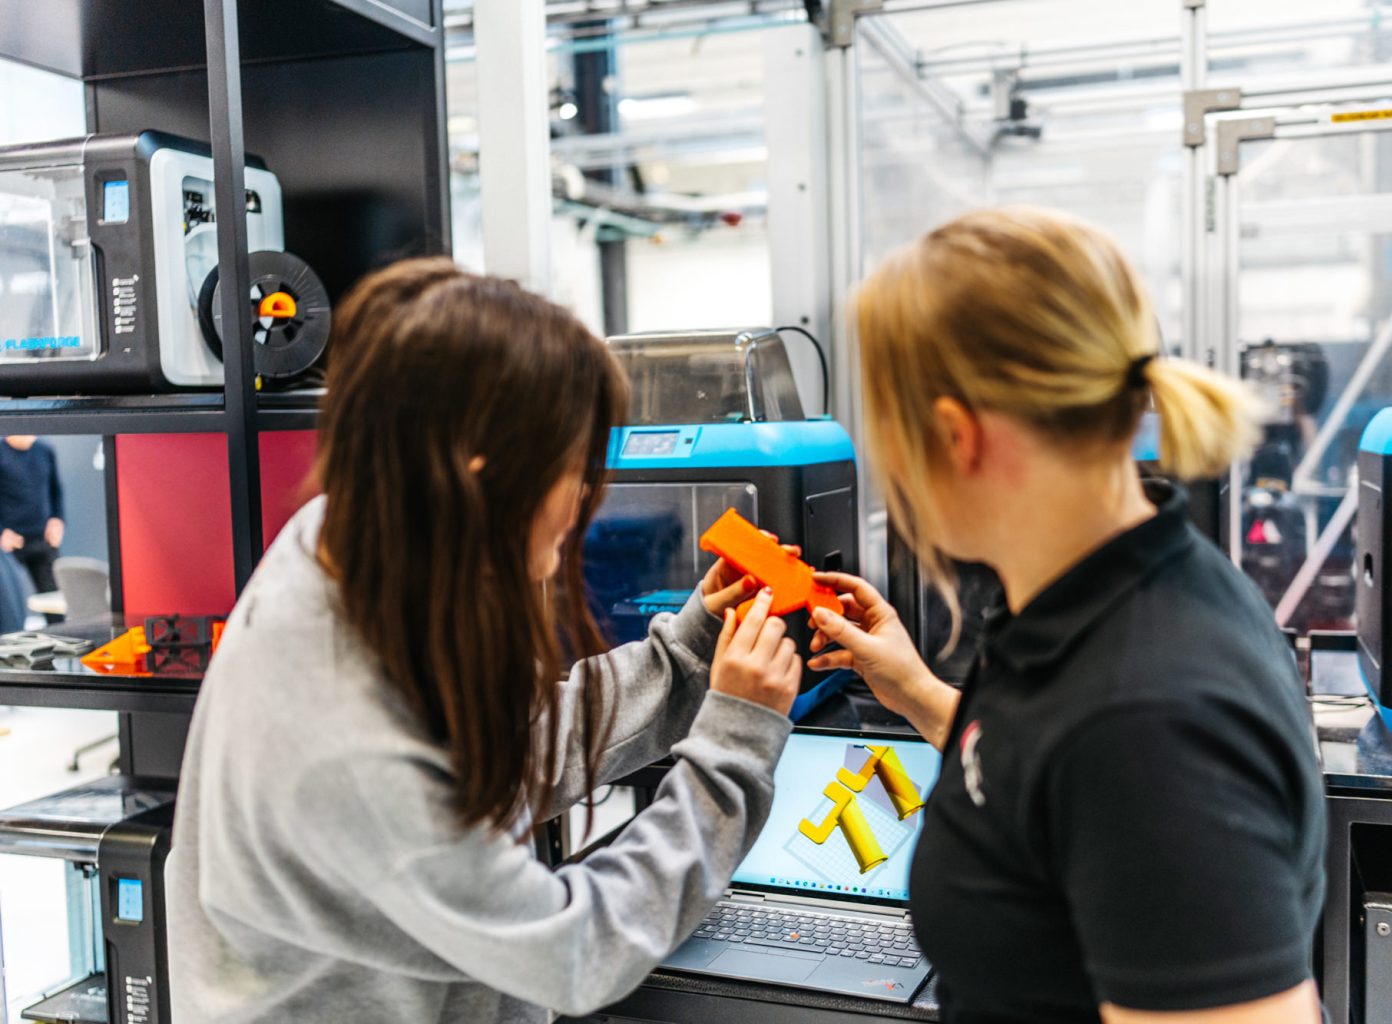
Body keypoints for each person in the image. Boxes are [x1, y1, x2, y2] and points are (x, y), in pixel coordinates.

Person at [166, 258, 804, 1023]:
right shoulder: (348, 736)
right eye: (572, 466)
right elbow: (577, 950)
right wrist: (735, 744)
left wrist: (691, 654)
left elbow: (497, 752)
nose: (582, 498)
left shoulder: (347, 541)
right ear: (480, 467)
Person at [807, 207, 1326, 1024]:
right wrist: (912, 690)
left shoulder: (1150, 719)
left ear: (954, 436)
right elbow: (1046, 783)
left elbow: (1106, 764)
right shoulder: (1099, 598)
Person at [0, 434, 65, 593]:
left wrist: (58, 520)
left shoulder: (45, 450)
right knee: (9, 603)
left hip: (43, 539)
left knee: (54, 601)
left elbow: (55, 490)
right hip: (10, 543)